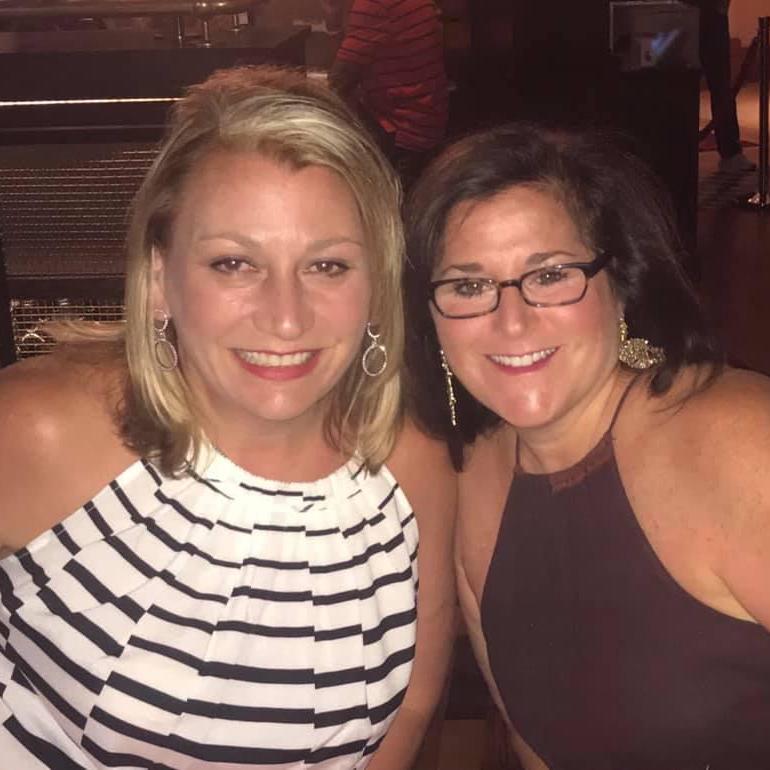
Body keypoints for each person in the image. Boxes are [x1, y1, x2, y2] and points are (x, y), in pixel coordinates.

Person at [0, 65, 456, 769]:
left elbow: (414, 704)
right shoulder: (42, 430)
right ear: (160, 280)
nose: (285, 317)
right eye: (235, 263)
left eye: (328, 266)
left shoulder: (412, 466)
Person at [403, 123, 770, 769]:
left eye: (550, 275)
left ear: (620, 280)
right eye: (468, 286)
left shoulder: (743, 443)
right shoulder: (474, 479)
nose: (511, 321)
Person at [328, 0, 449, 189]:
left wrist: (333, 15)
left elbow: (339, 79)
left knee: (322, 134)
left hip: (401, 132)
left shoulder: (374, 5)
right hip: (428, 120)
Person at [685, 0, 756, 173]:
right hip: (689, 12)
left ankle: (731, 152)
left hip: (708, 12)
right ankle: (685, 150)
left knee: (720, 84)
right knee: (689, 84)